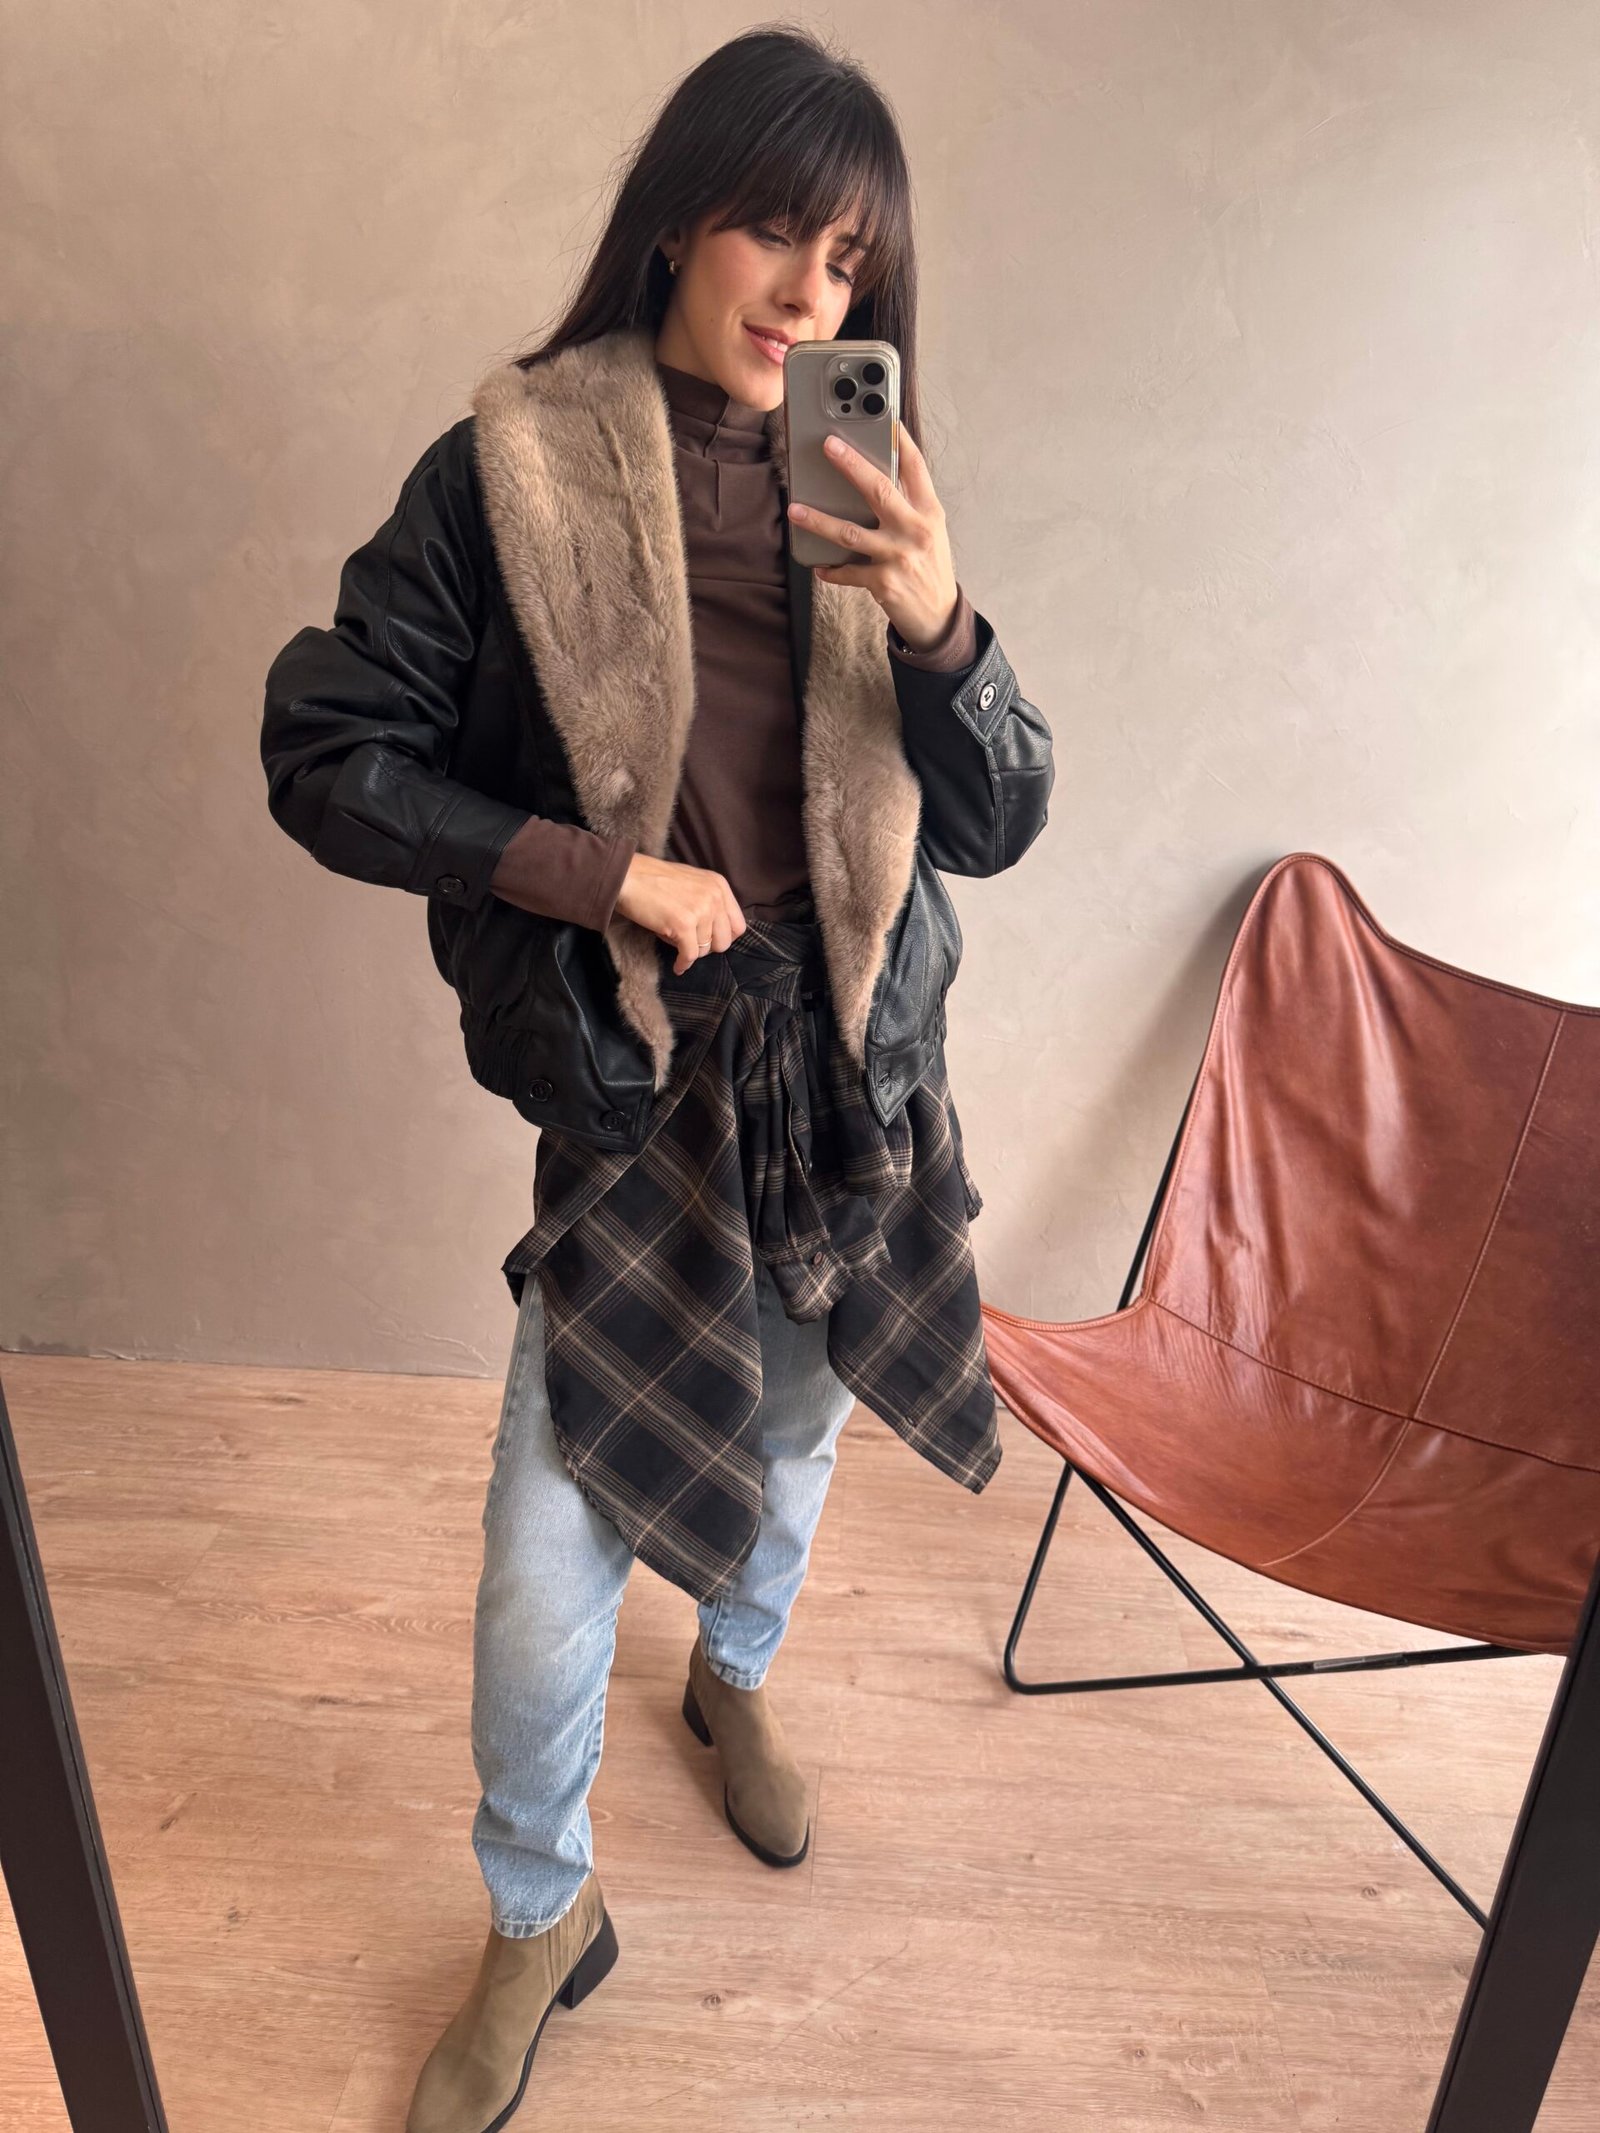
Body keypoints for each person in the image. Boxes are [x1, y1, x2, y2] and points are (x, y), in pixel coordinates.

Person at [259, 26, 1054, 2131]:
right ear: (684, 215)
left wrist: (944, 624)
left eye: (850, 262)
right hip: (646, 1078)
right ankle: (541, 1910)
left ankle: (733, 1675)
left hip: (856, 1065)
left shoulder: (872, 475)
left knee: (796, 1430)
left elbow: (997, 818)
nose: (810, 292)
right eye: (779, 232)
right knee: (546, 1560)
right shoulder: (509, 465)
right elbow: (327, 750)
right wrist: (602, 872)